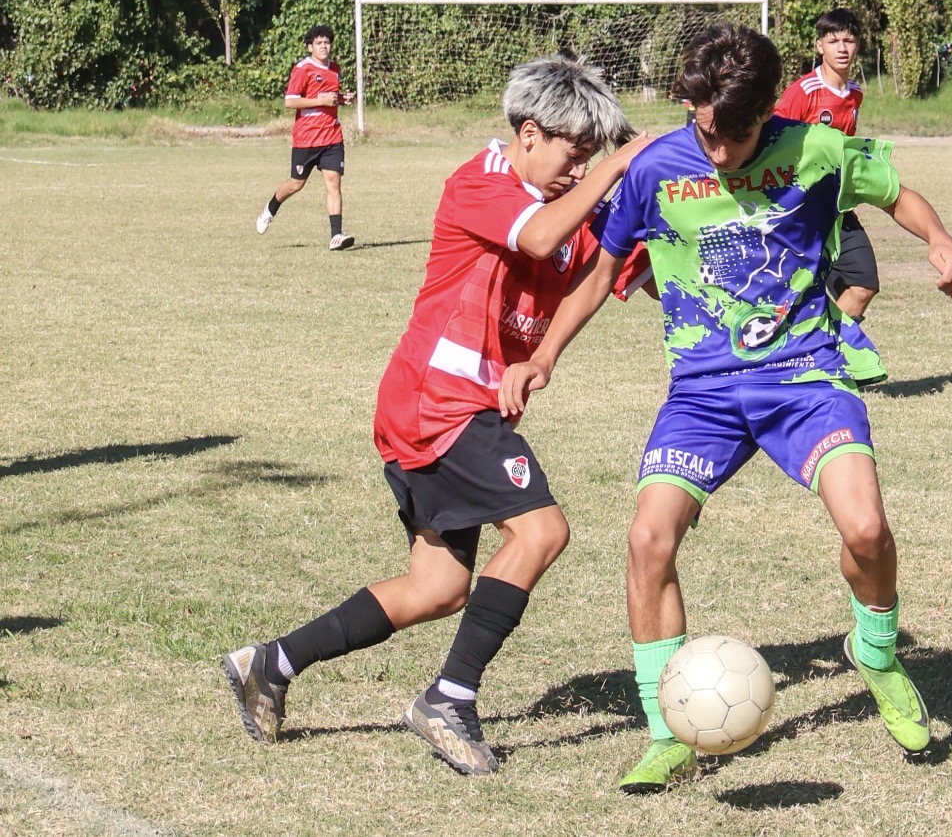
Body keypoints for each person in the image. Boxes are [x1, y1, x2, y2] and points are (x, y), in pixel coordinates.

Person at [500, 24, 952, 793]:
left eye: (739, 135)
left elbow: (897, 193)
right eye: (707, 132)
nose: (720, 152)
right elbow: (603, 271)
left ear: (767, 113)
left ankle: (877, 655)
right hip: (704, 393)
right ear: (690, 105)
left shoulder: (814, 147)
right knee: (648, 539)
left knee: (867, 528)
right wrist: (544, 357)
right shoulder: (655, 168)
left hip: (804, 376)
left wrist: (940, 239)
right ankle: (665, 732)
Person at [223, 54, 650, 775]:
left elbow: (615, 270)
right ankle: (450, 697)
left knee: (439, 588)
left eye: (591, 158)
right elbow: (542, 238)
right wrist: (617, 170)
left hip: (465, 410)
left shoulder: (574, 198)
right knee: (543, 530)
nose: (581, 170)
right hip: (435, 402)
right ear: (528, 134)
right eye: (573, 154)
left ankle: (270, 662)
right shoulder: (480, 181)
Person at [774, 8, 880, 322]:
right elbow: (773, 146)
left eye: (849, 40)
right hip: (797, 213)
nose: (842, 48)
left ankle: (830, 354)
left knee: (862, 286)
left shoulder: (856, 94)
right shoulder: (802, 92)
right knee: (793, 297)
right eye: (834, 41)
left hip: (835, 209)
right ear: (820, 46)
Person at [255, 24, 357, 251]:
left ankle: (336, 235)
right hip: (306, 139)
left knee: (334, 183)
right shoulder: (302, 69)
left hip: (332, 136)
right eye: (319, 43)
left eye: (327, 43)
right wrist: (321, 101)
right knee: (296, 184)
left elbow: (329, 98)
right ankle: (271, 208)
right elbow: (290, 101)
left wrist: (341, 99)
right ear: (310, 47)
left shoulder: (335, 69)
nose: (324, 46)